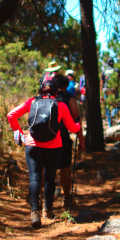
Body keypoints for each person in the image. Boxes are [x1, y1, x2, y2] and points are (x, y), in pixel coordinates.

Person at [7, 78, 82, 229]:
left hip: (32, 144)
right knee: (50, 178)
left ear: (40, 90)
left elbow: (11, 115)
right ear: (56, 91)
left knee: (34, 177)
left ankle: (34, 212)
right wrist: (79, 125)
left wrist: (19, 133)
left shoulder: (32, 102)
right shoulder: (60, 105)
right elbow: (73, 129)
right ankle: (47, 210)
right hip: (54, 146)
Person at [52, 73, 83, 209]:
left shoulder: (47, 98)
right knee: (65, 169)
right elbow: (77, 120)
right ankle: (66, 198)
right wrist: (82, 141)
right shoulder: (69, 99)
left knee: (48, 170)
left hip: (47, 139)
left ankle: (46, 201)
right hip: (63, 138)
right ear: (66, 86)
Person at [101, 57, 120, 126]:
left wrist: (102, 91)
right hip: (114, 89)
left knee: (107, 107)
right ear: (113, 63)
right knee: (117, 105)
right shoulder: (116, 70)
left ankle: (109, 124)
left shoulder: (104, 71)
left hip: (106, 90)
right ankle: (113, 114)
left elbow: (102, 82)